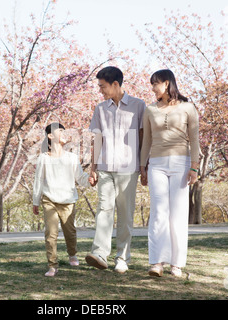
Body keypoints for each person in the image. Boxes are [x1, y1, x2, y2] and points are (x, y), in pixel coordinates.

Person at [85, 66, 146, 274]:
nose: (100, 90)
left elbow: (143, 138)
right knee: (104, 210)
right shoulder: (100, 108)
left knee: (125, 213)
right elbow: (97, 139)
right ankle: (100, 253)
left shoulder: (138, 106)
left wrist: (143, 166)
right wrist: (92, 168)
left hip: (128, 169)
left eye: (103, 87)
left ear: (116, 84)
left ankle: (122, 258)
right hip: (104, 167)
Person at [140, 69, 200, 277]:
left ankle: (177, 263)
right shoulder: (150, 110)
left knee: (178, 213)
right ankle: (157, 262)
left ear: (166, 83)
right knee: (158, 212)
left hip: (181, 163)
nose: (152, 88)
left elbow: (194, 139)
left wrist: (194, 167)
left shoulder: (188, 107)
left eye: (155, 84)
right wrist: (142, 166)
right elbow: (146, 139)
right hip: (156, 163)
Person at [33, 122, 90, 277]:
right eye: (60, 131)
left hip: (67, 200)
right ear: (50, 136)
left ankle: (72, 253)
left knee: (69, 232)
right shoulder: (43, 158)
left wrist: (91, 179)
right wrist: (35, 201)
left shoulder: (71, 157)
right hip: (49, 199)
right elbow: (38, 180)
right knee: (50, 233)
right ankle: (52, 265)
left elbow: (80, 177)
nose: (64, 133)